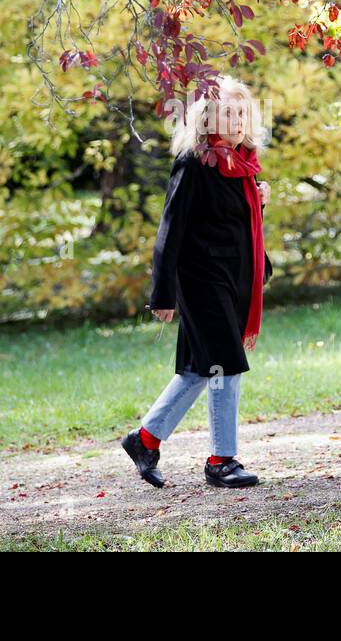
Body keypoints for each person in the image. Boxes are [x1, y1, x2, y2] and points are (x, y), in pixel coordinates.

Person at [121, 77, 271, 488]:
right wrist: (162, 294)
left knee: (199, 368)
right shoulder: (193, 163)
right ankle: (221, 460)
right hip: (200, 282)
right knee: (226, 364)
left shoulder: (242, 164)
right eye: (228, 113)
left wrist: (259, 204)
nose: (237, 121)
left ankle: (145, 439)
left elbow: (238, 228)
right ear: (206, 119)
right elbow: (170, 231)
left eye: (242, 113)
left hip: (231, 279)